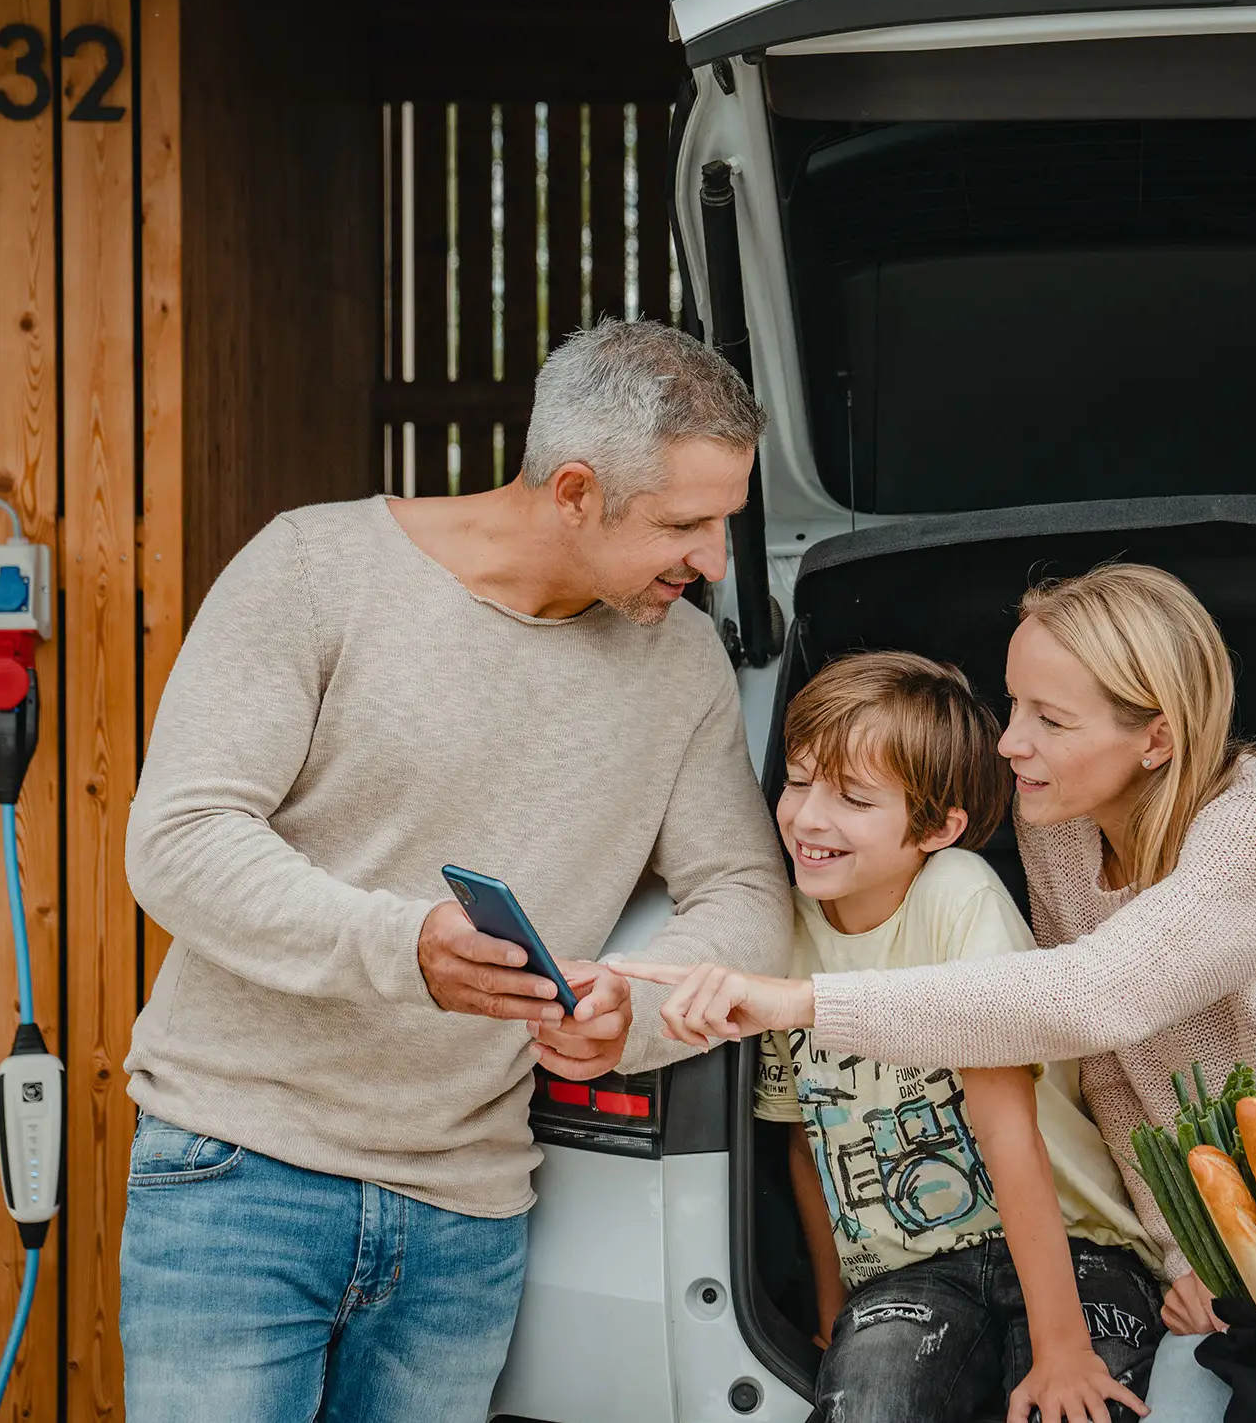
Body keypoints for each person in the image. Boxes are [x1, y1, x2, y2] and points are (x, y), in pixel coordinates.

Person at [626, 562, 1256, 1423]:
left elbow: (1092, 1002)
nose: (1011, 745)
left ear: (1157, 739)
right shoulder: (1060, 825)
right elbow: (1119, 1082)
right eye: (1014, 706)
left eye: (1049, 721)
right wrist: (1185, 1259)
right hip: (1255, 1265)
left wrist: (797, 1004)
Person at [120, 319, 792, 1422]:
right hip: (239, 1173)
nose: (714, 560)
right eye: (686, 523)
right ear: (573, 491)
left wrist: (637, 1012)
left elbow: (746, 900)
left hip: (467, 1214)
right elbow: (181, 840)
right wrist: (403, 947)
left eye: (724, 520)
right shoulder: (312, 569)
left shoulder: (680, 663)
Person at [760, 651, 1164, 1423]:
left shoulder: (956, 894)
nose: (809, 817)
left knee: (1081, 1406)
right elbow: (804, 1143)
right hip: (905, 1273)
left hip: (1071, 1246)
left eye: (852, 797)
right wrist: (830, 1306)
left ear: (938, 827)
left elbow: (1006, 1128)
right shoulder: (781, 929)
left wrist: (1062, 1348)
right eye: (798, 779)